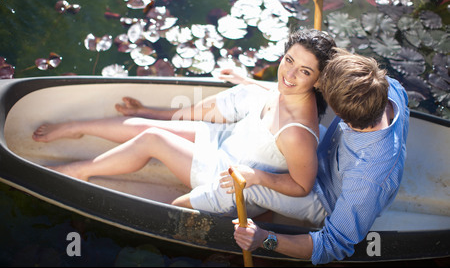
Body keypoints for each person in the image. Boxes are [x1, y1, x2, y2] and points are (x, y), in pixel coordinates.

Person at [32, 29, 336, 223]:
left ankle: (80, 171)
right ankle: (77, 125)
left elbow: (301, 186)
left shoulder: (296, 132)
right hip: (228, 144)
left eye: (304, 71)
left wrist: (255, 176)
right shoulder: (287, 88)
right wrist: (246, 81)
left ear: (318, 80)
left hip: (229, 179)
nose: (290, 75)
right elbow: (280, 84)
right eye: (288, 60)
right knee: (148, 123)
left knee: (153, 138)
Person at [228, 48, 410, 264]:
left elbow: (332, 245)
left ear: (340, 114)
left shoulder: (366, 180)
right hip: (330, 155)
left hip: (326, 196)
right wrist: (249, 81)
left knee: (237, 185)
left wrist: (264, 239)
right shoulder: (387, 86)